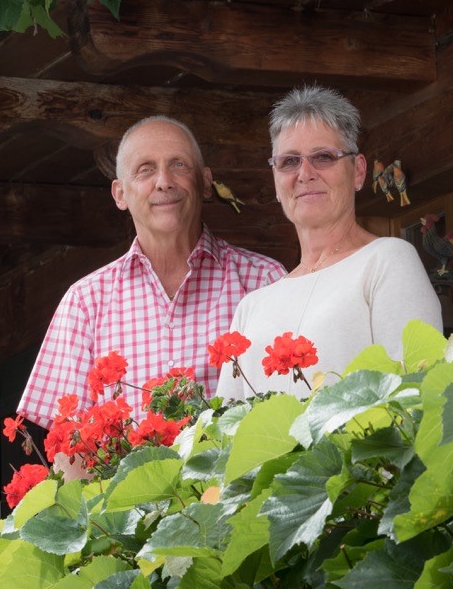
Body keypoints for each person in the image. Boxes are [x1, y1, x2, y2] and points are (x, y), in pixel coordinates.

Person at [18, 116, 285, 426]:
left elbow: (288, 409)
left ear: (206, 182)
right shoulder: (85, 302)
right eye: (146, 169)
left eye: (179, 166)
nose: (164, 181)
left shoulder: (264, 281)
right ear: (120, 194)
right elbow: (69, 448)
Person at [217, 85, 442, 398]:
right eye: (289, 161)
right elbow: (228, 435)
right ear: (276, 180)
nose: (305, 173)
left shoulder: (387, 261)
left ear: (358, 171)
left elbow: (417, 394)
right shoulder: (250, 307)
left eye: (323, 157)